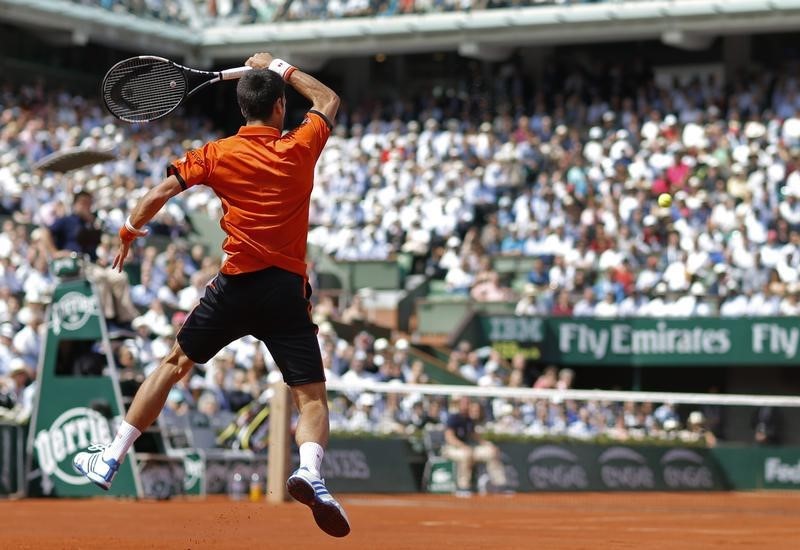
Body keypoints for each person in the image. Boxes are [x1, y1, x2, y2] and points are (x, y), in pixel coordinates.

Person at [72, 52, 349, 537]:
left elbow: (156, 195)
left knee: (174, 364)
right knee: (310, 397)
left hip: (235, 286)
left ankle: (111, 457)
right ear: (280, 108)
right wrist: (279, 65)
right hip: (285, 291)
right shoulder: (301, 146)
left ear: (243, 110)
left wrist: (129, 230)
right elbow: (328, 98)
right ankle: (310, 471)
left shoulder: (217, 152)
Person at [441, 396, 508, 497]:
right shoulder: (453, 418)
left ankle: (500, 485)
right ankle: (463, 487)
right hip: (451, 449)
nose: (467, 406)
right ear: (459, 405)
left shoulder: (469, 419)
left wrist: (488, 444)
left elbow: (474, 435)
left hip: (469, 449)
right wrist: (463, 446)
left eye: (468, 404)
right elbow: (449, 438)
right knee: (466, 454)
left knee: (491, 452)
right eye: (464, 403)